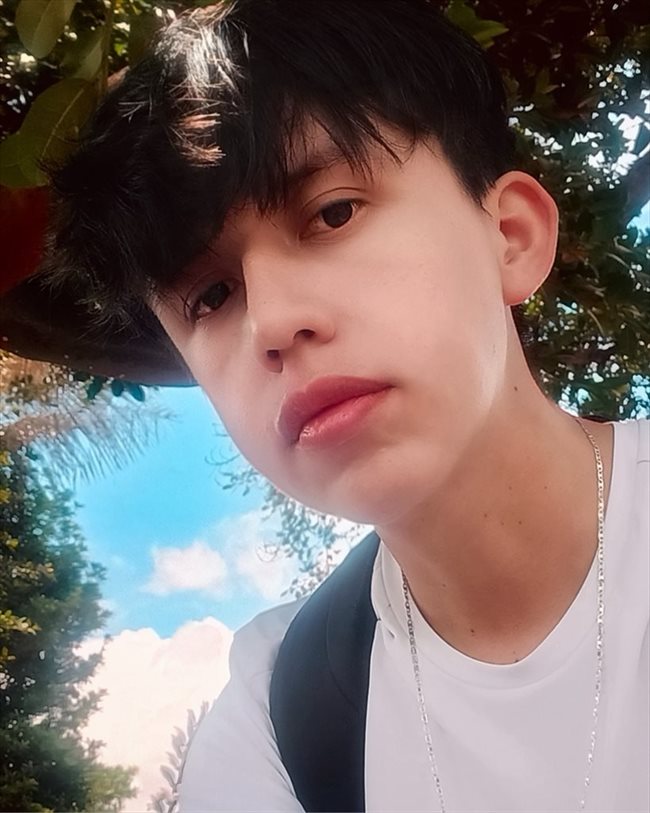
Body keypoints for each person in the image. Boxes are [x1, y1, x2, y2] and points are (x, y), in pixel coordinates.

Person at [9, 1, 648, 810]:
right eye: (211, 297)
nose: (273, 322)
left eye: (333, 212)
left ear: (511, 236)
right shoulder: (277, 717)